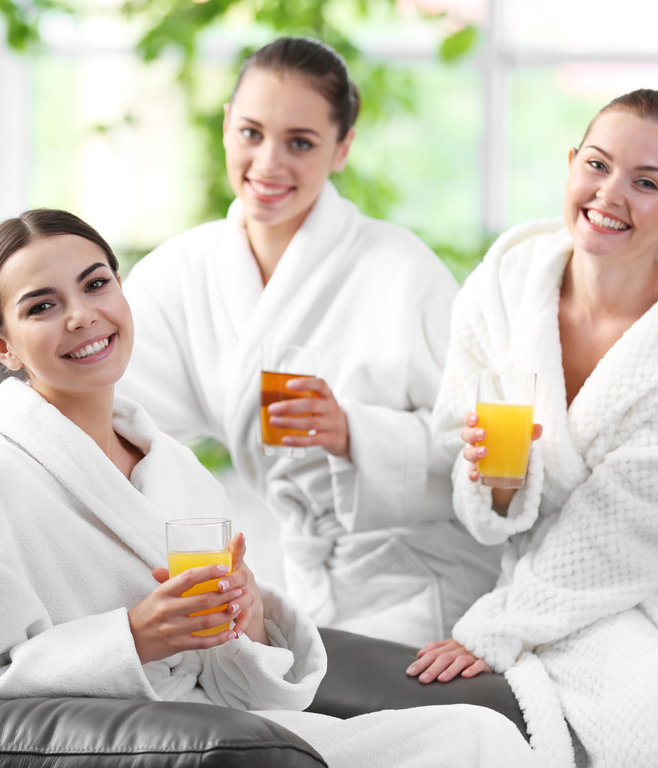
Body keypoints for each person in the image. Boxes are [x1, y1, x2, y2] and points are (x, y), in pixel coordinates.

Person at [0, 209, 540, 768]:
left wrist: (246, 621)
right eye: (43, 306)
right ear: (2, 347)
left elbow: (231, 686)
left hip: (218, 737)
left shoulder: (174, 468)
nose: (82, 316)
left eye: (97, 284)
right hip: (121, 752)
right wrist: (131, 640)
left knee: (481, 738)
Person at [410, 90, 658, 767]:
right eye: (597, 165)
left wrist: (499, 628)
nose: (610, 194)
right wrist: (499, 482)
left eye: (646, 182)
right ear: (571, 165)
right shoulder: (500, 294)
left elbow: (624, 531)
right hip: (551, 585)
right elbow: (476, 487)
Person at [117, 36, 498, 648]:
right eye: (250, 133)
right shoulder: (184, 270)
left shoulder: (400, 268)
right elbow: (112, 402)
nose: (267, 163)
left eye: (300, 142)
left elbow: (481, 453)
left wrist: (352, 432)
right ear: (225, 128)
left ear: (342, 147)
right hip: (297, 580)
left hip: (421, 577)